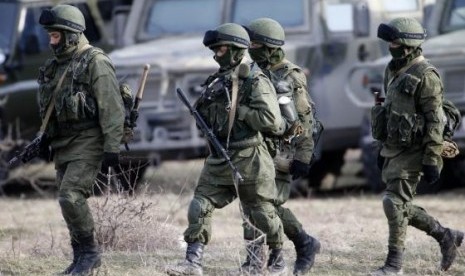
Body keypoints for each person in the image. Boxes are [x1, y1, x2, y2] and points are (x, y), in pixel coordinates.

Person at [165, 23, 287, 276]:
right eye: (214, 49)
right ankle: (192, 262)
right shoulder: (217, 80)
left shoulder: (255, 80)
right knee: (200, 205)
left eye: (220, 49)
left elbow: (272, 122)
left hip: (251, 156)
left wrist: (238, 111)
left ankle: (272, 262)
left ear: (234, 50)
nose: (215, 54)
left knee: (259, 213)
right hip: (220, 156)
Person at [370, 17, 463, 275]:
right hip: (394, 147)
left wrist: (432, 159)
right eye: (389, 42)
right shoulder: (392, 69)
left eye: (395, 42)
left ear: (409, 45)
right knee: (398, 204)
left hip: (418, 149)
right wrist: (381, 147)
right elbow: (390, 111)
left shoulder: (427, 76)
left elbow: (435, 121)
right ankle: (445, 236)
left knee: (393, 202)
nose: (391, 46)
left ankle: (393, 265)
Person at [38, 4, 124, 275]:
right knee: (66, 201)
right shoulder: (54, 67)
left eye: (55, 36)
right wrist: (43, 139)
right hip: (64, 142)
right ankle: (79, 258)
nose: (51, 41)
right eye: (50, 36)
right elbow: (50, 107)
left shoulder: (95, 61)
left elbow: (111, 107)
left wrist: (112, 147)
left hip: (89, 139)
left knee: (71, 195)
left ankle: (90, 255)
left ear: (71, 34)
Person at [240, 17, 321, 275]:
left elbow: (304, 119)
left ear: (269, 46)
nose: (249, 48)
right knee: (251, 202)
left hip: (281, 150)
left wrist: (303, 156)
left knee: (267, 204)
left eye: (254, 44)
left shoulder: (290, 75)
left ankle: (301, 245)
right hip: (255, 149)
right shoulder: (252, 70)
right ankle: (254, 262)